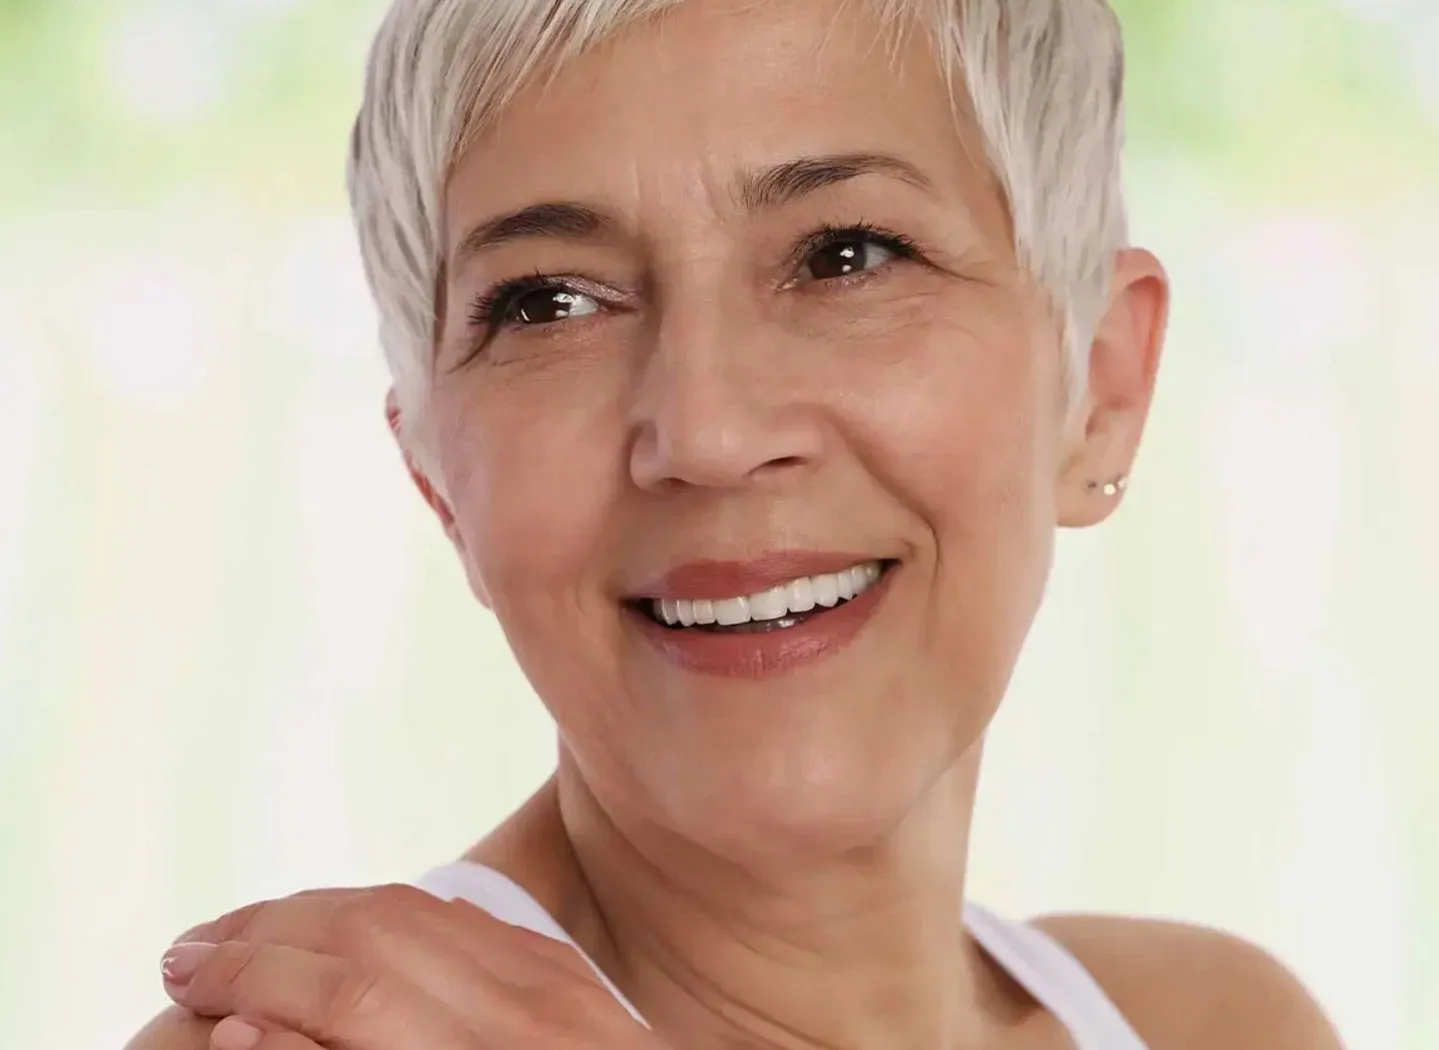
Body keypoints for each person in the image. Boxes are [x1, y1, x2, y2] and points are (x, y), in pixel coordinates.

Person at [129, 1, 1344, 1048]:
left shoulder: (1215, 1020)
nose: (705, 431)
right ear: (441, 479)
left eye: (846, 255)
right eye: (550, 302)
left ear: (1102, 390)